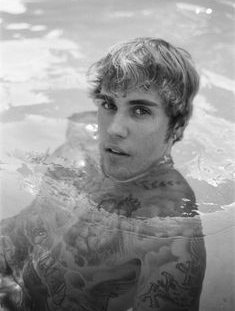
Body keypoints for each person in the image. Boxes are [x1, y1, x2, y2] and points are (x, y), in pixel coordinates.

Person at [0, 37, 206, 311]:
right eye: (109, 105)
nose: (114, 129)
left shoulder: (169, 225)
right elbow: (28, 225)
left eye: (140, 110)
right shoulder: (81, 138)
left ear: (176, 127)